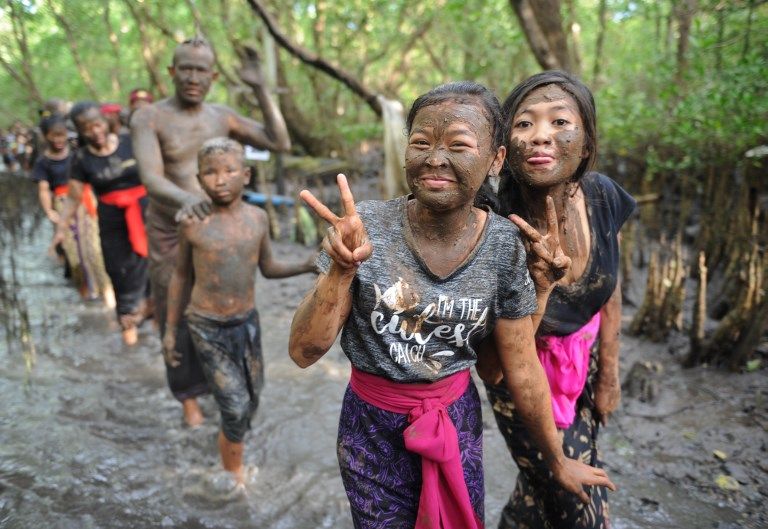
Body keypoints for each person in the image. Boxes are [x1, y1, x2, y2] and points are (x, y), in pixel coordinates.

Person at [290, 81, 615, 529]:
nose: (434, 159)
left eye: (458, 145)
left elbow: (511, 369)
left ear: (496, 159)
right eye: (421, 143)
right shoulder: (364, 228)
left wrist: (557, 460)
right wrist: (340, 272)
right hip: (369, 426)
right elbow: (303, 353)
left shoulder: (504, 246)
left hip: (455, 421)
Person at [478, 71, 636, 529]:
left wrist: (608, 374)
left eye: (559, 121)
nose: (540, 135)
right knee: (578, 505)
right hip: (520, 379)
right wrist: (540, 286)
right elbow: (492, 366)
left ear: (586, 142)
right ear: (506, 147)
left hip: (580, 363)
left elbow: (611, 286)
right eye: (524, 124)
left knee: (538, 497)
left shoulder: (603, 196)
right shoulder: (493, 221)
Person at [131, 36, 290, 427]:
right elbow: (151, 178)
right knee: (177, 305)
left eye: (201, 70)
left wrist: (260, 88)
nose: (192, 77)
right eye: (185, 68)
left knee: (224, 302)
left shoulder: (223, 116)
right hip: (172, 228)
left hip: (221, 228)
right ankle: (187, 396)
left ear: (214, 76)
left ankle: (226, 388)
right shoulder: (148, 117)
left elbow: (279, 142)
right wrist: (188, 202)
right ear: (172, 71)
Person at [162, 138, 315, 488]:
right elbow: (180, 276)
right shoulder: (192, 223)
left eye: (230, 170)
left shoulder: (257, 218)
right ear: (199, 180)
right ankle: (233, 477)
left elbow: (269, 267)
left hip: (246, 322)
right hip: (205, 325)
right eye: (210, 173)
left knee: (252, 396)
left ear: (245, 175)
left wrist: (306, 265)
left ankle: (232, 445)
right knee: (233, 404)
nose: (220, 179)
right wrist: (170, 331)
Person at [55, 102, 150, 345]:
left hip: (148, 214)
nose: (95, 131)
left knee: (155, 270)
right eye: (86, 128)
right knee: (121, 272)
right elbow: (74, 197)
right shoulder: (81, 159)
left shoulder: (131, 142)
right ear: (79, 131)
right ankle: (129, 334)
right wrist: (61, 227)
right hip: (112, 222)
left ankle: (156, 320)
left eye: (97, 124)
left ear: (106, 121)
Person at [32, 113, 112, 303]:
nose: (59, 139)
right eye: (54, 135)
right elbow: (44, 190)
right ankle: (85, 293)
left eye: (62, 134)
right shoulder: (43, 162)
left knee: (95, 249)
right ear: (46, 136)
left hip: (86, 202)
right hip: (62, 205)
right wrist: (49, 211)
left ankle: (107, 292)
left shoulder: (79, 152)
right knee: (74, 254)